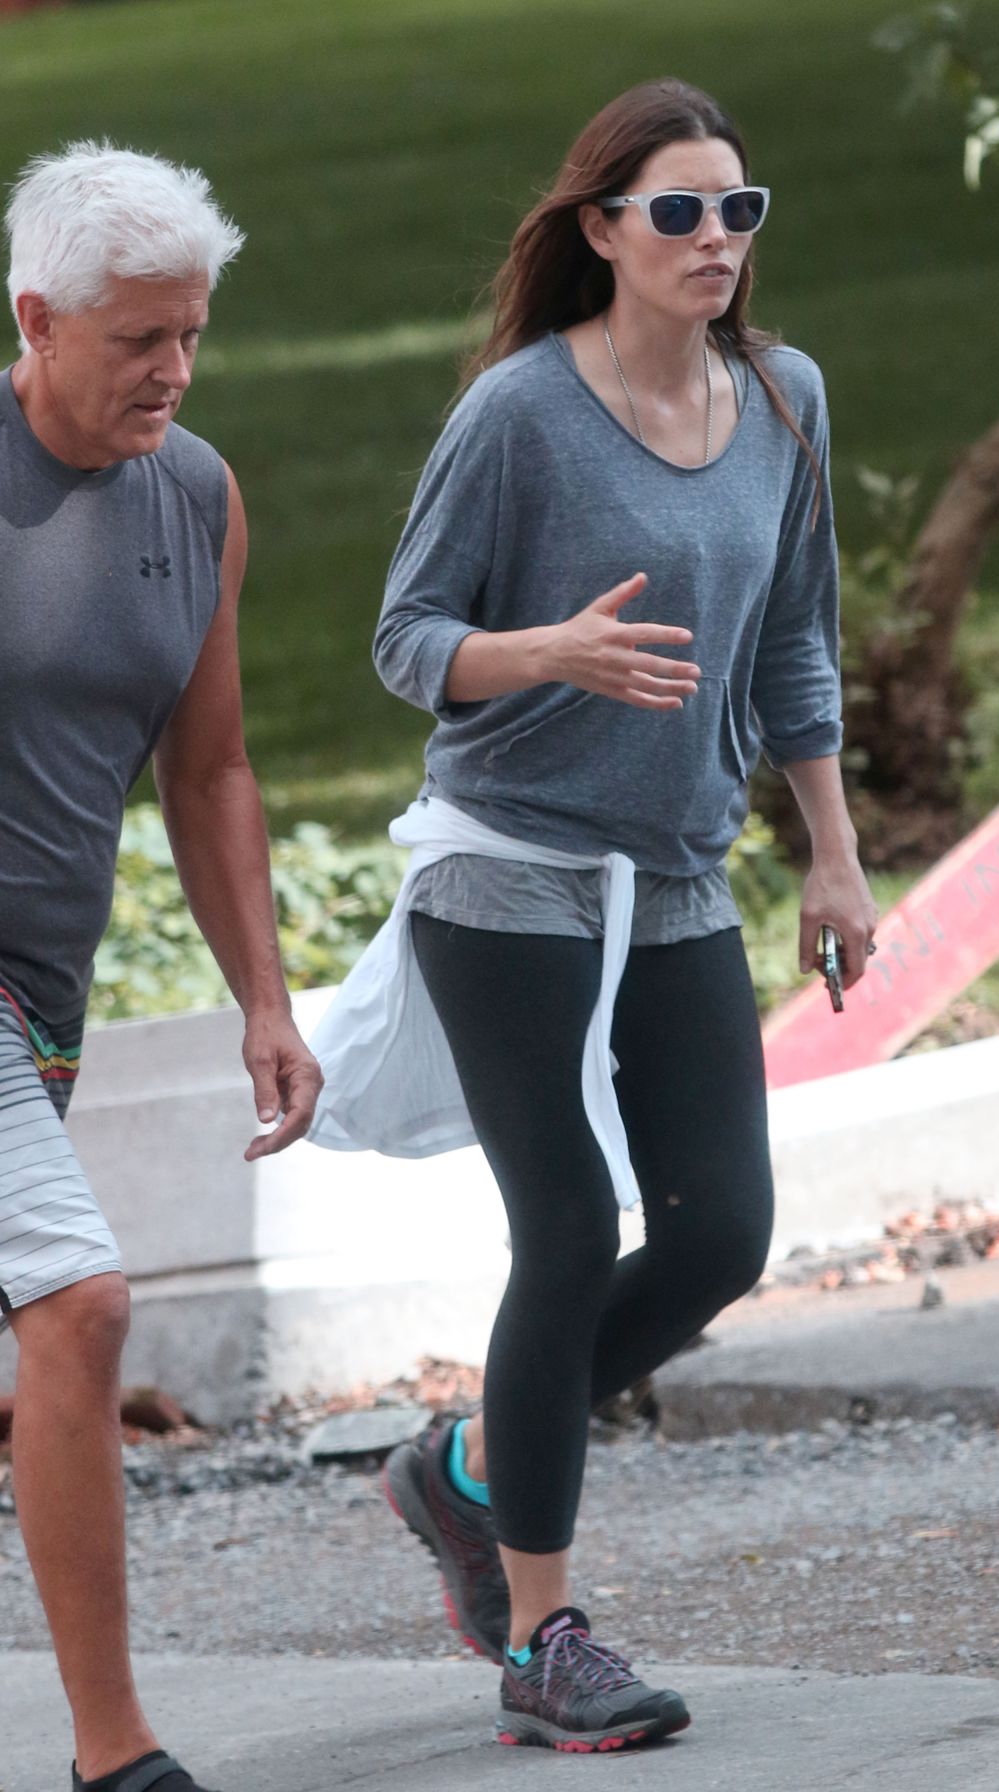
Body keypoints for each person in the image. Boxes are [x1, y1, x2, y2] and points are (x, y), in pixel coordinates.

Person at [311, 76, 877, 1753]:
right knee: (565, 1231)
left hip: (682, 874)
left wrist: (834, 855)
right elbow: (409, 639)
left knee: (720, 1236)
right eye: (681, 212)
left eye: (739, 211)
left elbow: (792, 651)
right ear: (601, 232)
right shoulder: (518, 417)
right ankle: (544, 1634)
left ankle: (469, 1464)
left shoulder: (785, 400)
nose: (718, 240)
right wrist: (543, 651)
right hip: (508, 870)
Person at [0, 143, 322, 1792]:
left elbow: (210, 770)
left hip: (44, 1008)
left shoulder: (194, 494)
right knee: (84, 1303)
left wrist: (264, 995)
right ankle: (114, 1751)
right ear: (37, 319)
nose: (176, 371)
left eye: (191, 334)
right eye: (141, 339)